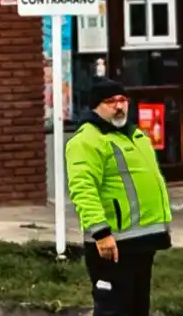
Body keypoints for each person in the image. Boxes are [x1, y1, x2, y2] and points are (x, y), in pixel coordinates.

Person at [65, 78, 173, 316]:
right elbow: (83, 189)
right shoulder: (86, 141)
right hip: (113, 242)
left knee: (137, 307)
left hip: (143, 239)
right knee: (113, 308)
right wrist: (100, 232)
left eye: (123, 100)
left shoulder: (135, 136)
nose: (119, 106)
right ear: (96, 106)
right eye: (111, 101)